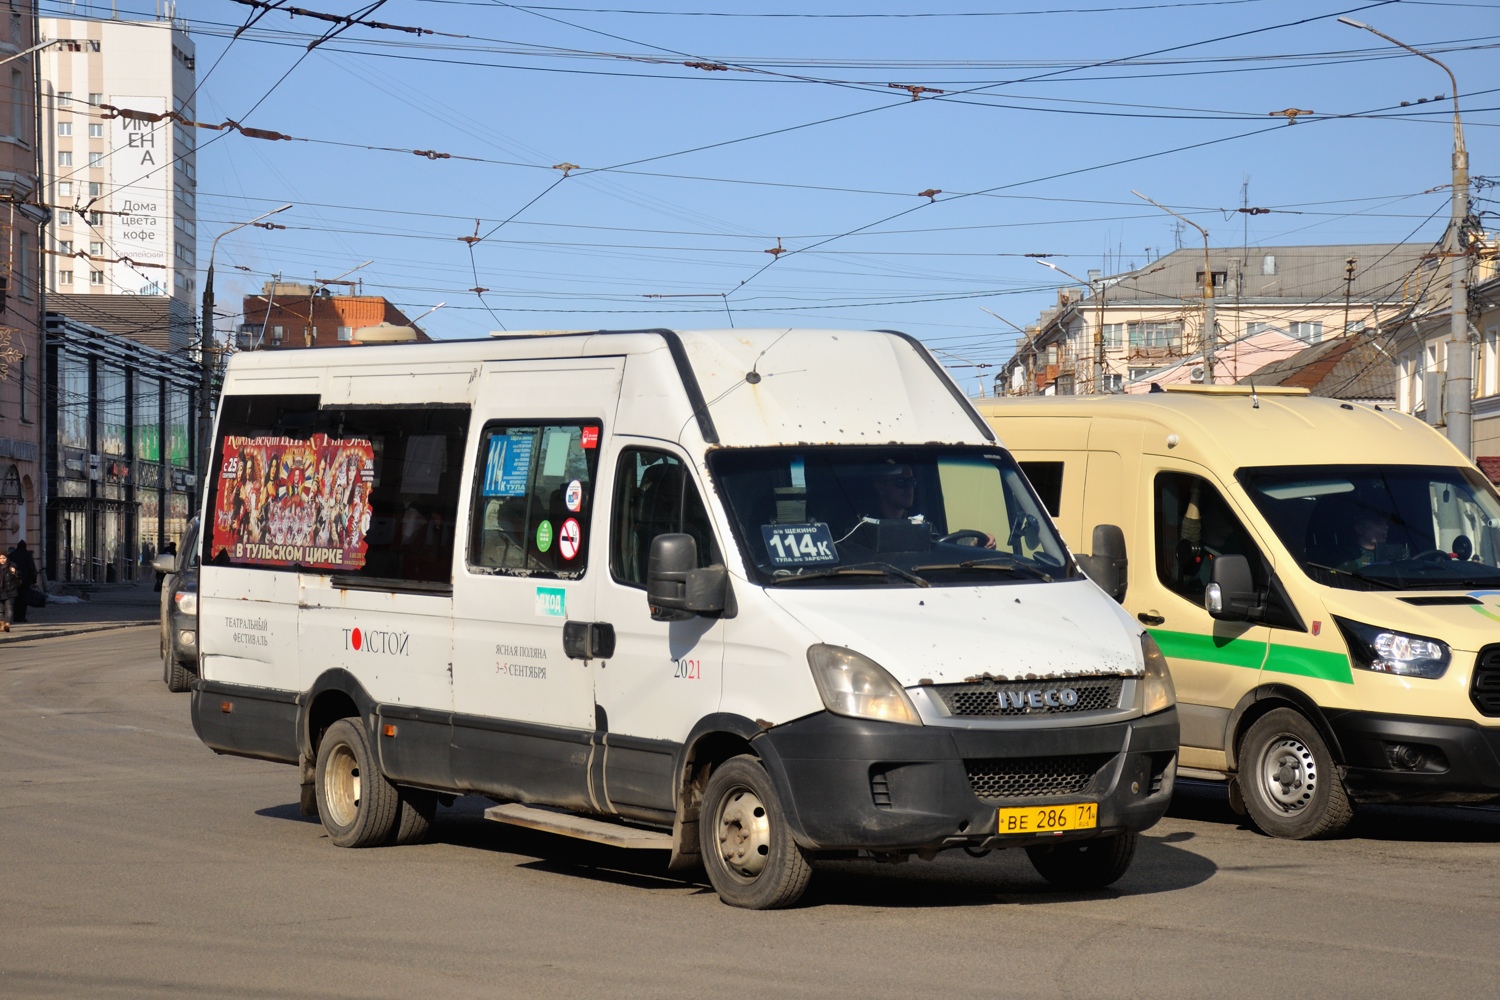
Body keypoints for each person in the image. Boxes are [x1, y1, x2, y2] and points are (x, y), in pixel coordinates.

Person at [10, 539, 35, 623]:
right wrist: (33, 580)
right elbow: (32, 568)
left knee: (15, 598)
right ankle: (21, 617)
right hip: (25, 581)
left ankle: (15, 616)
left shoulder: (12, 555)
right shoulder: (27, 555)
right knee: (24, 600)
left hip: (14, 580)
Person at [0, 551, 20, 632]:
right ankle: (2, 624)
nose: (2, 560)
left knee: (9, 608)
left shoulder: (12, 566)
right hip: (0, 592)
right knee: (0, 610)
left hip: (10, 591)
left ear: (7, 558)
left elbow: (19, 576)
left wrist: (14, 572)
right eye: (0, 558)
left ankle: (7, 623)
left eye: (4, 558)